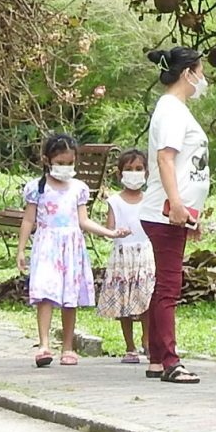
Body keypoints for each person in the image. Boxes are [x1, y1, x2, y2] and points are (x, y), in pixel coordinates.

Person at [137, 45, 213, 383]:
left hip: (175, 210)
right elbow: (166, 159)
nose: (203, 79)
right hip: (165, 211)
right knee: (169, 287)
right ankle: (169, 360)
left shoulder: (176, 109)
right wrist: (177, 205)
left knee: (162, 286)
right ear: (188, 73)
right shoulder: (170, 110)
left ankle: (156, 358)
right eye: (201, 72)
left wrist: (188, 210)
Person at [16, 132, 110, 367]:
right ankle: (44, 344)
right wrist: (20, 250)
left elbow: (83, 220)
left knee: (70, 297)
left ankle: (68, 347)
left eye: (70, 163)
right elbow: (28, 220)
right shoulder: (36, 188)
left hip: (72, 247)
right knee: (45, 294)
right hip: (47, 246)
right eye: (60, 163)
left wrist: (109, 233)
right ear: (47, 161)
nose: (65, 168)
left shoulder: (78, 188)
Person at [94, 146, 155, 363]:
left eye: (139, 168)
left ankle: (147, 341)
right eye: (129, 169)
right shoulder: (114, 201)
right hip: (122, 257)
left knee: (147, 299)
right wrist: (115, 232)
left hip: (145, 255)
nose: (134, 172)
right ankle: (130, 346)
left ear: (146, 173)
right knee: (124, 303)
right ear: (120, 174)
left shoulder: (150, 199)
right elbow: (110, 229)